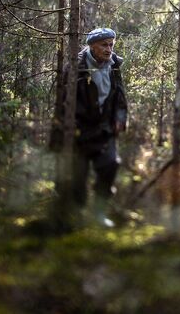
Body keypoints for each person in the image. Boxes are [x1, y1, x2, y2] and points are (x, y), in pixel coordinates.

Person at [65, 27, 128, 227]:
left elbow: (120, 98)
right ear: (92, 46)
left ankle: (99, 213)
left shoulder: (115, 66)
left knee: (110, 165)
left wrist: (120, 118)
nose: (109, 49)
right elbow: (64, 100)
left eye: (111, 44)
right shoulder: (76, 66)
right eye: (104, 45)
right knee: (78, 176)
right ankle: (77, 215)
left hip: (105, 130)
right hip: (80, 130)